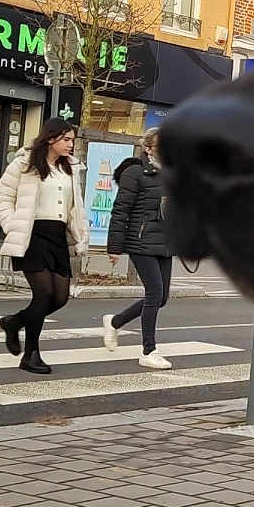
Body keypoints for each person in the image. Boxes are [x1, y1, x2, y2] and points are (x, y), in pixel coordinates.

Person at [0, 117, 89, 375]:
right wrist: (13, 224)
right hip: (31, 235)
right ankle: (31, 355)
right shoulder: (24, 164)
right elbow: (2, 198)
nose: (71, 144)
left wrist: (81, 235)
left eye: (72, 140)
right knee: (43, 294)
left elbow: (75, 207)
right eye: (66, 139)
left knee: (60, 297)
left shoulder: (70, 168)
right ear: (50, 138)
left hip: (57, 237)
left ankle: (15, 322)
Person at [102, 127, 174, 369]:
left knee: (162, 298)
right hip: (140, 241)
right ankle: (148, 350)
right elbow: (120, 210)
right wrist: (115, 247)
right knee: (154, 293)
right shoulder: (135, 172)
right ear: (148, 148)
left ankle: (115, 322)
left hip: (165, 242)